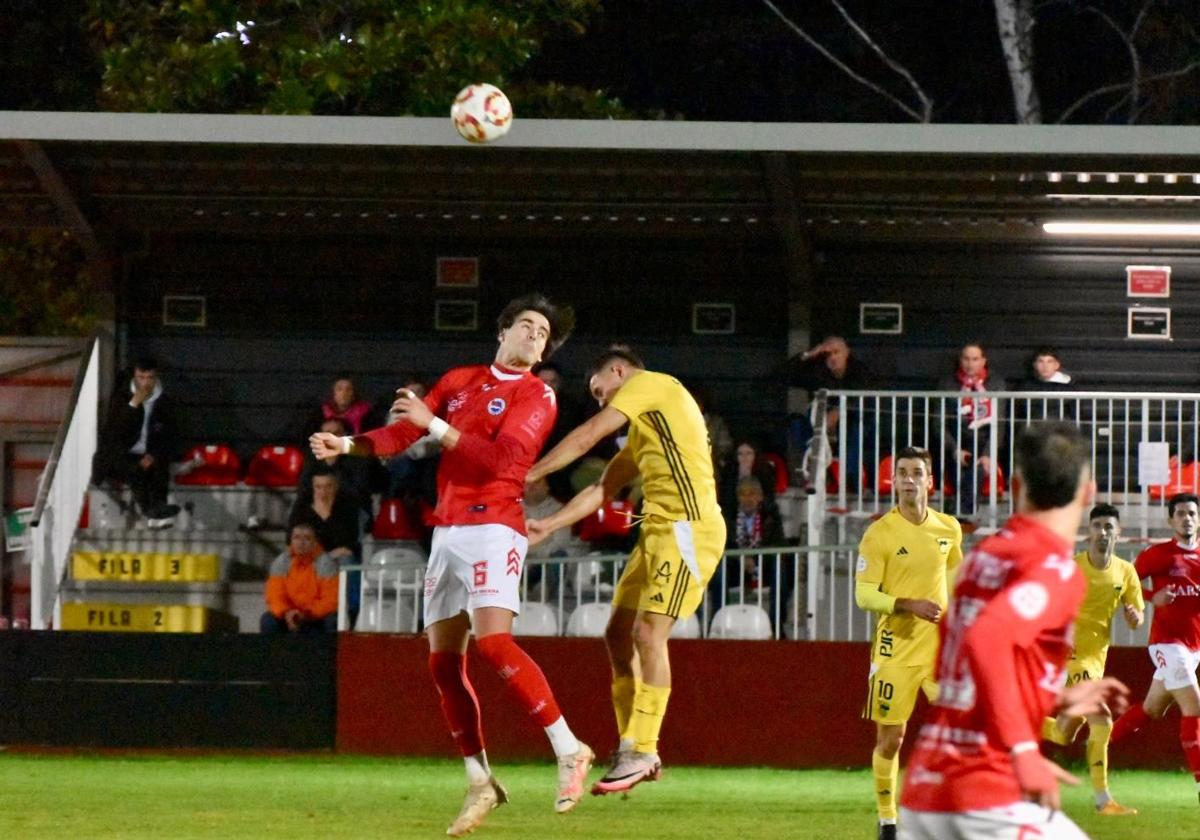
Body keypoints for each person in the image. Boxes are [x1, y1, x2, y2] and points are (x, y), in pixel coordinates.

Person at [309, 293, 592, 835]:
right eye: (527, 326)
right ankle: (480, 780)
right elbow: (401, 434)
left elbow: (504, 461)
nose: (535, 336)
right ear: (503, 332)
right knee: (442, 663)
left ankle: (568, 747)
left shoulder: (538, 395)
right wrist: (346, 444)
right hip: (449, 530)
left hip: (494, 527)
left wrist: (434, 426)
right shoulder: (460, 380)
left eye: (543, 334)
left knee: (492, 643)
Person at [899, 422, 1129, 840]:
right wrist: (1024, 751)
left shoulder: (984, 558)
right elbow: (987, 638)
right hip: (982, 795)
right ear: (1088, 492)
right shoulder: (1053, 568)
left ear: (1015, 483)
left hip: (924, 790)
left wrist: (1054, 698)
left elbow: (964, 663)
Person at [524, 344, 725, 795]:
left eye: (601, 392)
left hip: (688, 530)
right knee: (616, 634)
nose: (602, 402)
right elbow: (602, 488)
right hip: (655, 533)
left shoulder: (653, 385)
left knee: (649, 633)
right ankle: (631, 744)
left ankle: (645, 749)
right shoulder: (648, 428)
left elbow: (588, 435)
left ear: (619, 371)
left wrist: (528, 473)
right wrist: (550, 524)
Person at [854, 446, 963, 840]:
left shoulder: (948, 529)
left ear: (930, 481)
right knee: (891, 737)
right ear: (894, 480)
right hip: (894, 650)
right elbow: (864, 596)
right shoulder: (880, 533)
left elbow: (952, 576)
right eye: (902, 472)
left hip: (937, 649)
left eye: (917, 472)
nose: (909, 479)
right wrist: (906, 604)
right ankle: (888, 819)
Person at [1040, 503, 1142, 816]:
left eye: (1109, 527)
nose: (1102, 532)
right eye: (1097, 526)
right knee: (1103, 718)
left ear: (1118, 533)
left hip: (1097, 660)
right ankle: (1102, 800)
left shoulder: (1126, 571)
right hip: (1070, 659)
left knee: (1064, 733)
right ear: (1088, 533)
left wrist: (1133, 615)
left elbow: (1137, 620)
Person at [1109, 493, 1200, 796]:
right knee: (1194, 705)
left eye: (1192, 513)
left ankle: (1098, 746)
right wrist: (1152, 599)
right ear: (1170, 520)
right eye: (1181, 514)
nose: (1187, 518)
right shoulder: (1159, 554)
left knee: (1152, 709)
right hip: (1166, 644)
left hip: (1193, 648)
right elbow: (1123, 585)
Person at [91, 357, 181, 528]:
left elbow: (170, 434)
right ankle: (152, 511)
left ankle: (157, 509)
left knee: (159, 464)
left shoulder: (165, 402)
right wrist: (133, 404)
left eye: (150, 378)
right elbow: (114, 432)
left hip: (148, 451)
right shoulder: (122, 397)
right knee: (135, 469)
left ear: (156, 378)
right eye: (141, 377)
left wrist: (153, 455)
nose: (145, 383)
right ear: (134, 376)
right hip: (122, 453)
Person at [788, 335, 878, 492]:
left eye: (837, 352)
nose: (833, 357)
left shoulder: (859, 370)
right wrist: (809, 354)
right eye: (828, 354)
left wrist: (839, 411)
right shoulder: (818, 371)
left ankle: (852, 480)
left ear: (847, 352)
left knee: (859, 426)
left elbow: (864, 397)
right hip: (820, 425)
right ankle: (810, 471)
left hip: (851, 426)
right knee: (795, 423)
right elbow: (784, 375)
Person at [939, 342, 1005, 516]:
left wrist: (988, 454)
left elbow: (999, 424)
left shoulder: (996, 383)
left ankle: (961, 513)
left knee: (977, 470)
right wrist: (954, 449)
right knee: (955, 470)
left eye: (975, 359)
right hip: (955, 441)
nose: (970, 363)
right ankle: (962, 514)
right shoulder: (947, 383)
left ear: (983, 361)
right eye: (966, 358)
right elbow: (938, 423)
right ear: (960, 360)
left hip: (984, 441)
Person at [260, 521, 339, 633]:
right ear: (291, 541)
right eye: (296, 537)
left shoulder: (325, 563)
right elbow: (275, 596)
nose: (301, 542)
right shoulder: (282, 562)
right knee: (268, 620)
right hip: (288, 616)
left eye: (307, 538)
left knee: (332, 620)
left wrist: (305, 614)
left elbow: (330, 600)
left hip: (315, 617)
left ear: (314, 542)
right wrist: (287, 613)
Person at [306, 374, 376, 437]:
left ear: (354, 394)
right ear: (333, 393)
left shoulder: (367, 414)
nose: (343, 394)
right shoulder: (320, 414)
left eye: (348, 389)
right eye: (339, 389)